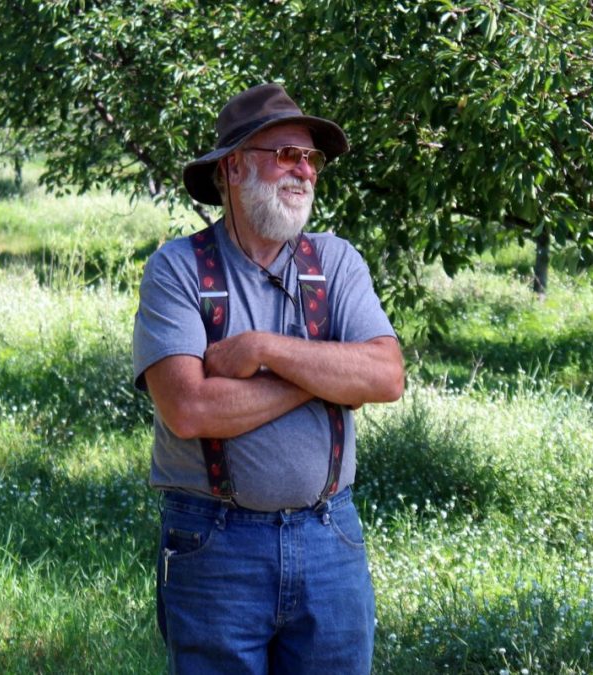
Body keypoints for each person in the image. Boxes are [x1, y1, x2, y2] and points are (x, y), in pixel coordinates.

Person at [132, 83, 405, 674]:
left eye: (312, 159)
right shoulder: (178, 269)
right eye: (286, 153)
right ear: (232, 167)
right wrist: (329, 371)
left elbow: (385, 376)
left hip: (331, 536)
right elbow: (190, 409)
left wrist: (263, 349)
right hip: (214, 545)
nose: (303, 171)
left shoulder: (335, 261)